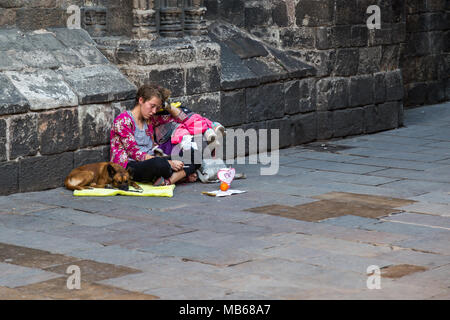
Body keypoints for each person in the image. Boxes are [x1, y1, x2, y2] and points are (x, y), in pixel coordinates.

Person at [110, 85, 197, 186]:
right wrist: (170, 163)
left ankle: (168, 180)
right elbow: (135, 154)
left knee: (195, 153)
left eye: (157, 108)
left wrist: (165, 105)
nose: (154, 111)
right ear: (141, 100)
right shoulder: (123, 121)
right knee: (159, 164)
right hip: (129, 166)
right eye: (152, 106)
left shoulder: (150, 120)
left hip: (152, 159)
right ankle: (181, 174)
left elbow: (183, 118)